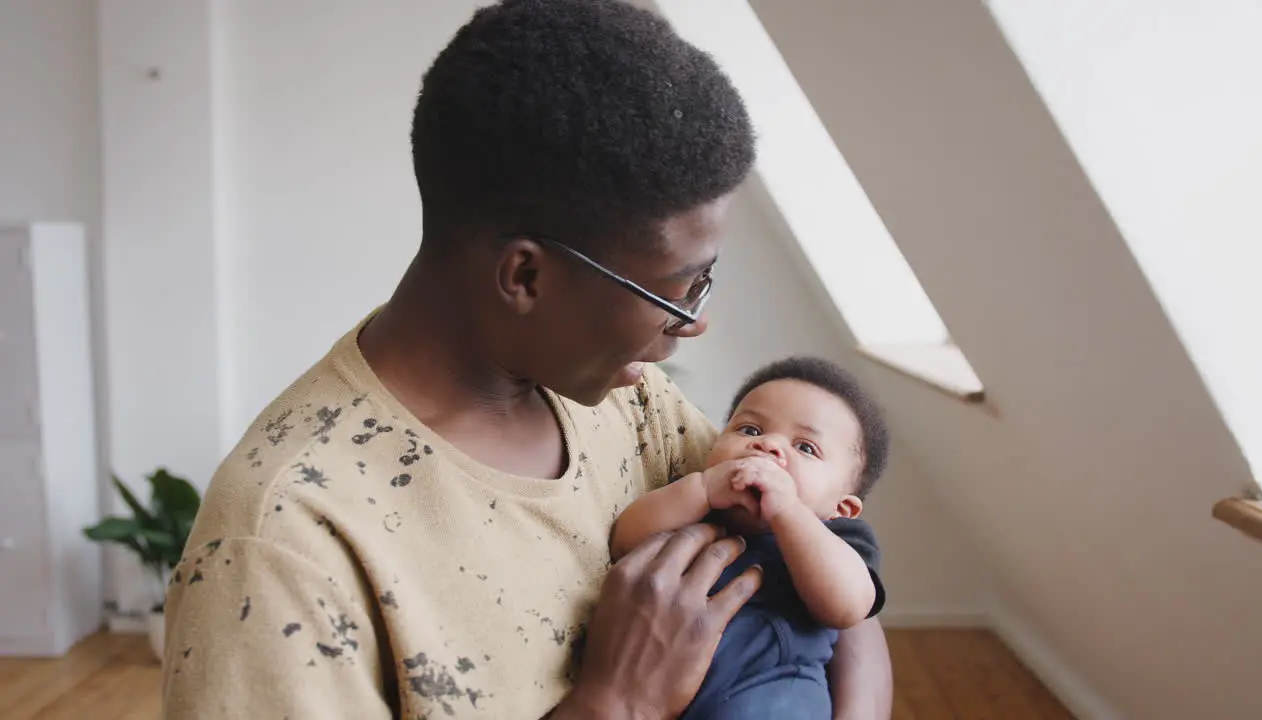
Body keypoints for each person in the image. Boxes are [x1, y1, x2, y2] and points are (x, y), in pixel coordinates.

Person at [160, 1, 893, 718]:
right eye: (676, 290)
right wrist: (618, 701)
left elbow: (831, 585)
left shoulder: (630, 399)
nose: (692, 325)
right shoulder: (287, 543)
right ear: (527, 278)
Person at [611, 357, 891, 719]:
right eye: (749, 430)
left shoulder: (835, 536)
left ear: (841, 507)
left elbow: (848, 607)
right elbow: (625, 542)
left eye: (805, 447)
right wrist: (704, 488)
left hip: (773, 689)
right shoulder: (692, 502)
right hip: (662, 686)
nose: (768, 446)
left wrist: (788, 510)